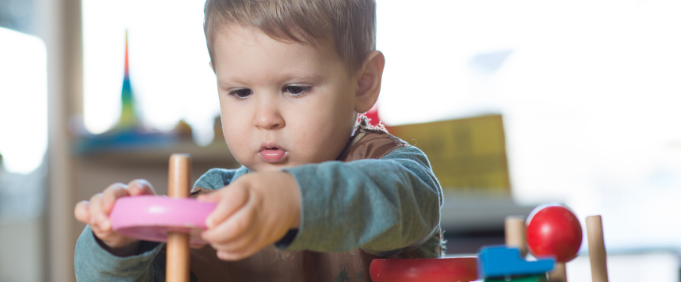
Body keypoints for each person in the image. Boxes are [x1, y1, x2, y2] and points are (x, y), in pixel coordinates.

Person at [73, 0, 443, 281]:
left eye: (295, 89)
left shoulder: (394, 171)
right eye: (241, 92)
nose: (265, 118)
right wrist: (118, 246)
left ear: (362, 83)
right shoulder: (212, 200)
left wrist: (291, 199)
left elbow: (403, 206)